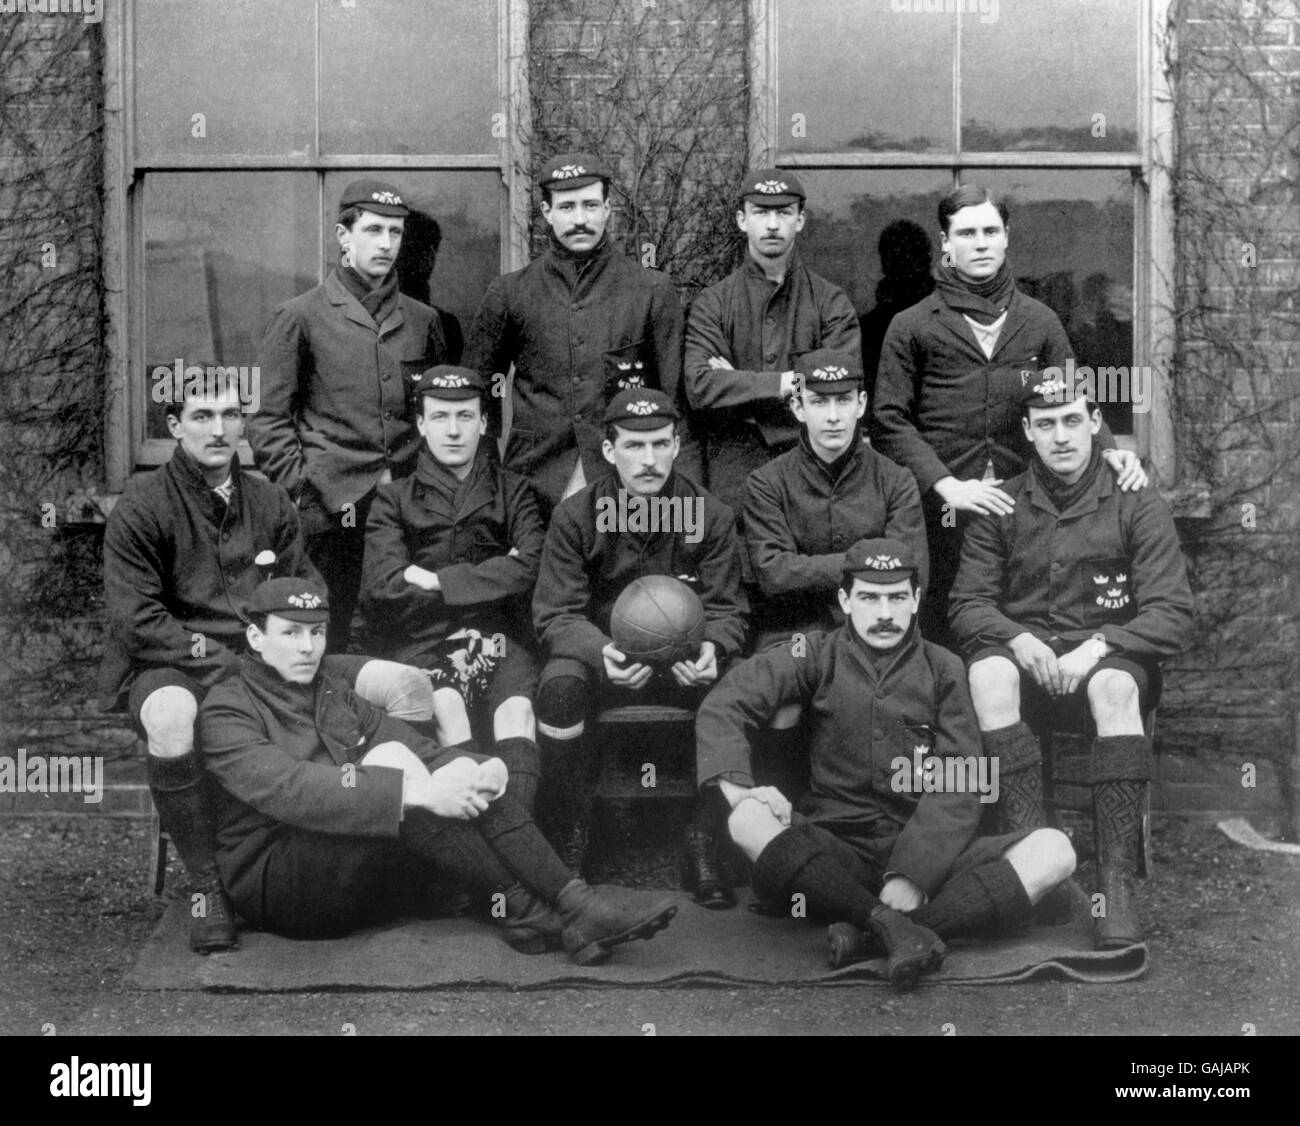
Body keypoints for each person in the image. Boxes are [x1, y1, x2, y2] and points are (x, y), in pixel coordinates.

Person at [98, 384, 441, 952]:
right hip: (177, 660)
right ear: (174, 426)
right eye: (201, 415)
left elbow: (307, 588)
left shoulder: (270, 501)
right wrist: (225, 659)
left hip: (273, 652)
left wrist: (286, 645)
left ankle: (414, 856)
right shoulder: (142, 505)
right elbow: (137, 619)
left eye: (230, 414)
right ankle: (209, 887)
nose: (218, 428)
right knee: (170, 715)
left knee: (403, 683)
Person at [197, 578, 678, 964]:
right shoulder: (227, 708)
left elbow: (411, 743)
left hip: (350, 859)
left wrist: (472, 766)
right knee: (400, 777)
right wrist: (419, 792)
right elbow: (293, 791)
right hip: (281, 883)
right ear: (256, 638)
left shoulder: (329, 689)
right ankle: (546, 908)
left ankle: (563, 909)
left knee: (438, 769)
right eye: (291, 633)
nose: (308, 647)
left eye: (317, 632)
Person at [695, 538, 1076, 989]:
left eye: (897, 597)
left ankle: (876, 929)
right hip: (834, 851)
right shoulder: (812, 652)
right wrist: (744, 790)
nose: (884, 613)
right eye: (869, 598)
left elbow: (963, 780)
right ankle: (893, 924)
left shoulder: (944, 667)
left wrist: (912, 874)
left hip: (926, 854)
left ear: (916, 600)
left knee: (1054, 851)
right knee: (746, 819)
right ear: (844, 601)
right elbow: (724, 704)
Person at [949, 377, 1194, 949]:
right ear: (1029, 432)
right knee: (988, 671)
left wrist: (1101, 644)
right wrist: (1016, 638)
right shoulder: (1002, 504)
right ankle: (1036, 859)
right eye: (1047, 424)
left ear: (1092, 424)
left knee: (1113, 687)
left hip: (1108, 663)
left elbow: (1172, 612)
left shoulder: (1137, 501)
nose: (1061, 436)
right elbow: (967, 604)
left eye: (1071, 420)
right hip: (1032, 666)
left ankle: (1116, 887)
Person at [872, 184, 1147, 645]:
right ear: (945, 242)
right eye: (966, 233)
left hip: (1024, 506)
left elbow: (1078, 400)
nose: (979, 243)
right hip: (938, 510)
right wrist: (947, 486)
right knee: (939, 625)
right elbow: (888, 419)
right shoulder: (912, 324)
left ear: (1006, 237)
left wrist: (1112, 455)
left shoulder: (1040, 321)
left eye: (989, 231)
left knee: (1018, 627)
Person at [532, 388, 747, 906]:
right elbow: (554, 613)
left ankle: (704, 837)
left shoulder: (710, 514)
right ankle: (570, 829)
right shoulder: (576, 516)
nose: (647, 461)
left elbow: (730, 610)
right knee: (558, 689)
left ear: (677, 445)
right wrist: (598, 651)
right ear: (609, 451)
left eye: (659, 445)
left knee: (736, 684)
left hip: (684, 658)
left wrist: (713, 649)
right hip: (604, 658)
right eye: (633, 446)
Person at [251, 178, 449, 651]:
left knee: (408, 636)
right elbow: (266, 418)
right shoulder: (301, 316)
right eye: (373, 230)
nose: (385, 244)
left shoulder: (424, 322)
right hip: (331, 510)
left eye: (395, 233)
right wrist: (303, 489)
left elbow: (441, 411)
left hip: (408, 509)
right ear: (344, 236)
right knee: (330, 636)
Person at [462, 152, 693, 515]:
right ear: (546, 211)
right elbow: (476, 389)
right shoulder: (510, 293)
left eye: (590, 205)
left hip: (625, 484)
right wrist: (488, 473)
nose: (580, 219)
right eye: (567, 207)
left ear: (607, 209)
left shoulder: (650, 290)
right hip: (532, 481)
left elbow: (673, 401)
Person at [361, 365, 544, 770]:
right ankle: (497, 831)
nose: (454, 430)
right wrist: (498, 574)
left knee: (517, 715)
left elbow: (531, 566)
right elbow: (385, 586)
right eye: (441, 417)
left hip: (500, 639)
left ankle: (509, 830)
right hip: (422, 642)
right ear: (422, 425)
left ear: (483, 423)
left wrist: (434, 580)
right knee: (446, 708)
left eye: (465, 416)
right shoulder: (394, 499)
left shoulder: (513, 490)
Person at [684, 168, 861, 523]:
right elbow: (700, 387)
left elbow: (836, 383)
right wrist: (788, 383)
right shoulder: (714, 303)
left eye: (783, 213)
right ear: (741, 220)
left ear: (800, 220)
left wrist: (741, 384)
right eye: (761, 212)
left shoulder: (830, 302)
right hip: (733, 468)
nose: (772, 224)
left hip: (810, 463)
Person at [857, 219, 934, 402]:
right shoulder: (951, 320)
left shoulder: (866, 329)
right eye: (900, 257)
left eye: (912, 256)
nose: (907, 266)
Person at [394, 196, 465, 362]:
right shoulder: (371, 321)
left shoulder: (446, 325)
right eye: (417, 248)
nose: (428, 258)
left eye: (433, 249)